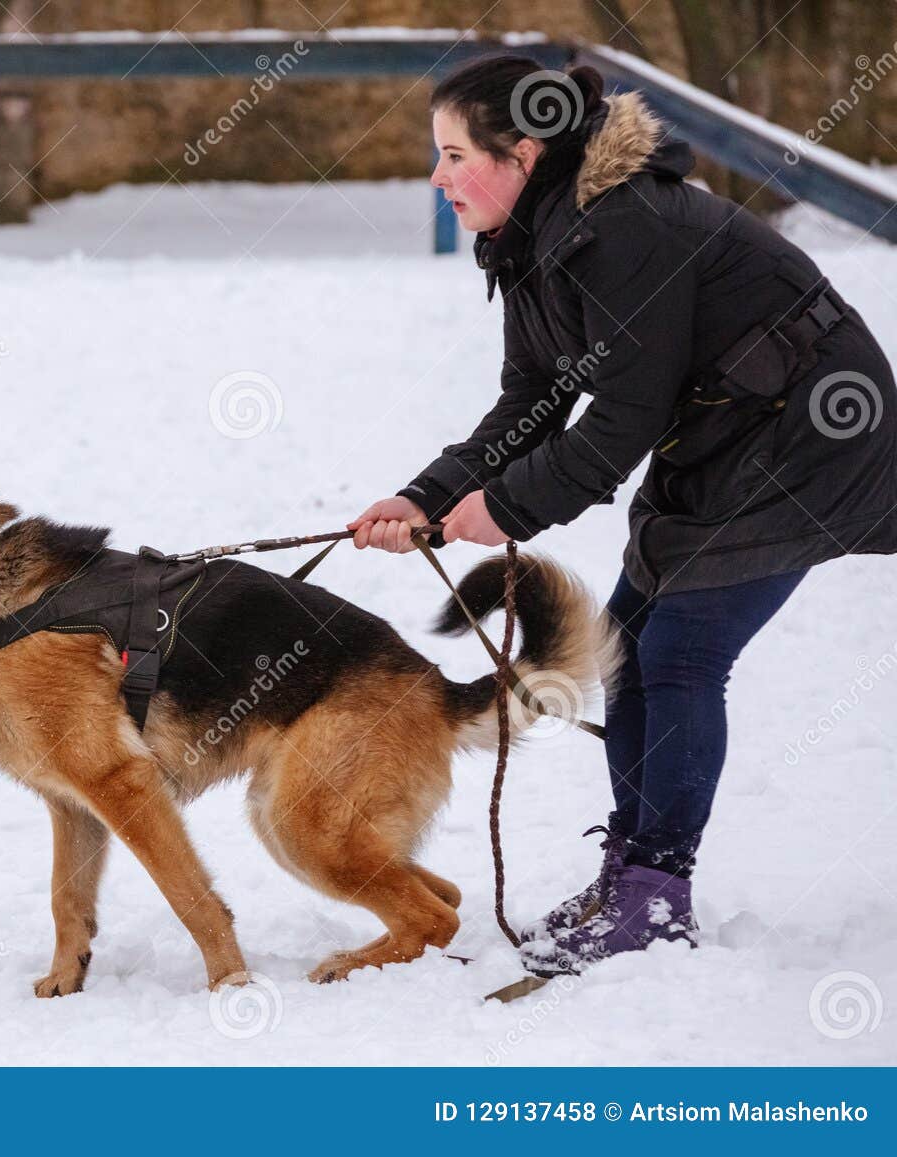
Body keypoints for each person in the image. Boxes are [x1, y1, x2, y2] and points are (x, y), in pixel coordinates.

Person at [350, 55, 897, 975]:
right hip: (721, 440)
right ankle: (631, 875)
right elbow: (531, 400)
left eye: (452, 155)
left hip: (813, 441)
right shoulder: (531, 239)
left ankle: (656, 893)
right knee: (626, 644)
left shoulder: (626, 226)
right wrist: (429, 495)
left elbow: (623, 419)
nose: (437, 178)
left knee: (680, 652)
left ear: (523, 152)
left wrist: (510, 505)